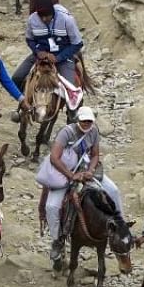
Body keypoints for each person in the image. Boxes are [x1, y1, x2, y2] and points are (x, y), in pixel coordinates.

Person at [43, 106, 123, 266]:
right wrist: (71, 175)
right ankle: (57, 241)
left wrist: (91, 170)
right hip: (64, 171)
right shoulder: (66, 133)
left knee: (113, 190)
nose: (87, 124)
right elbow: (54, 158)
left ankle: (120, 226)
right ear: (78, 120)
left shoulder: (93, 132)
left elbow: (95, 154)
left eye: (89, 121)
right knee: (52, 206)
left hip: (85, 169)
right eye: (84, 120)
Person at [13, 0, 82, 89]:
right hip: (40, 56)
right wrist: (37, 51)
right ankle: (23, 100)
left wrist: (58, 58)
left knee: (70, 87)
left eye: (47, 16)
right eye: (41, 16)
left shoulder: (67, 20)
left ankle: (74, 102)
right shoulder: (32, 19)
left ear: (52, 13)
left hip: (63, 57)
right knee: (16, 78)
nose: (44, 19)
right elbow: (29, 39)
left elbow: (77, 43)